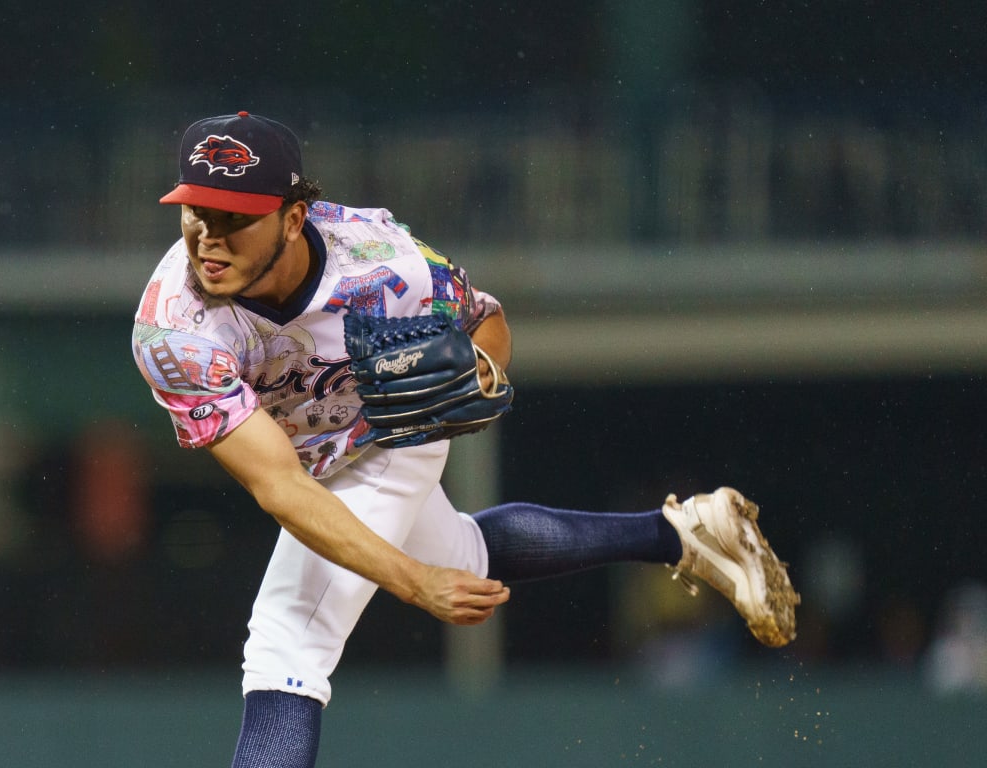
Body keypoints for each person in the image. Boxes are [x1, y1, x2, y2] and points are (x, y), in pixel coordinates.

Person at [130, 111, 801, 767]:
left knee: (287, 646)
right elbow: (279, 486)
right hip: (304, 458)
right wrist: (417, 580)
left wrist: (472, 373)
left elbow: (489, 326)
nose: (209, 239)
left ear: (294, 217)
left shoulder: (381, 261)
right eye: (196, 214)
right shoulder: (174, 328)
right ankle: (684, 534)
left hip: (391, 430)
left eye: (235, 219)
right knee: (466, 553)